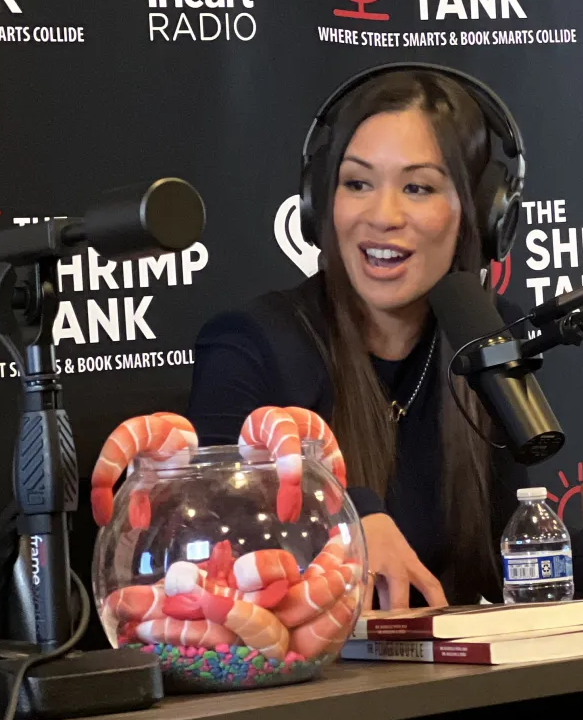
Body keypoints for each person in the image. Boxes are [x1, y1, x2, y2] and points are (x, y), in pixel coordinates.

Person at [189, 65, 528, 609]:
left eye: (417, 187)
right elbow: (216, 536)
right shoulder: (249, 347)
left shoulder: (488, 337)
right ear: (320, 202)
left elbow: (518, 561)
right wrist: (351, 516)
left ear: (481, 215)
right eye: (357, 184)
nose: (382, 215)